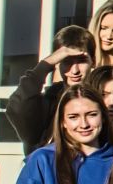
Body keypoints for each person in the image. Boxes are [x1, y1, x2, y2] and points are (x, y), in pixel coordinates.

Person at [6, 24, 95, 156]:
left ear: (93, 61)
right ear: (57, 63)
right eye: (67, 62)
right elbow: (18, 108)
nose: (75, 70)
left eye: (81, 61)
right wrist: (45, 65)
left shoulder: (102, 99)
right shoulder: (49, 102)